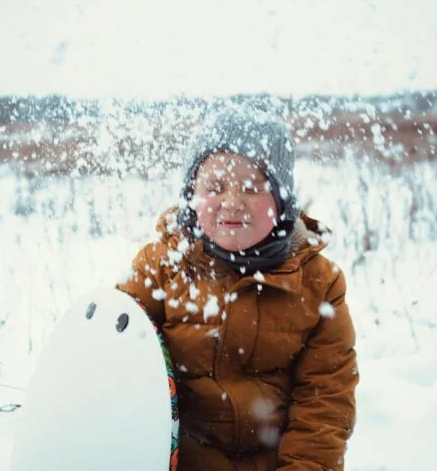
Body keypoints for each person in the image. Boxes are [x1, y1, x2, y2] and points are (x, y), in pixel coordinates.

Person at [116, 109, 359, 471]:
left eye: (251, 188)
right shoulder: (162, 267)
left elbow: (324, 405)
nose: (231, 202)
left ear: (282, 199)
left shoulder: (318, 284)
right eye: (213, 188)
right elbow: (116, 359)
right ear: (191, 196)